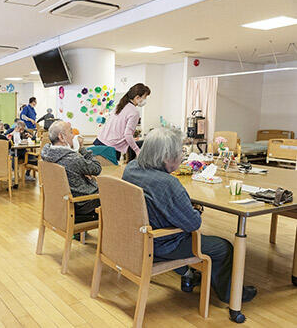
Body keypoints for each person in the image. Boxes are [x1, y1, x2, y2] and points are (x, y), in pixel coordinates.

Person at [121, 127, 257, 304]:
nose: (182, 157)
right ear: (165, 157)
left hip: (136, 236)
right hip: (161, 243)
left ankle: (189, 275)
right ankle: (230, 295)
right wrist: (196, 210)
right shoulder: (168, 183)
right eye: (180, 153)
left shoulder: (131, 168)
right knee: (223, 248)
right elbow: (193, 224)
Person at [41, 120, 101, 216]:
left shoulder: (46, 153)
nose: (73, 136)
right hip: (82, 204)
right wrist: (81, 148)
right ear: (61, 137)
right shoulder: (73, 159)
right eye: (71, 132)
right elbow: (97, 168)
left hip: (61, 204)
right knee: (116, 194)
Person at [94, 83, 150, 162]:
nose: (145, 100)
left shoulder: (120, 105)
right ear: (137, 97)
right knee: (109, 173)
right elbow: (127, 134)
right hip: (110, 148)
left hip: (99, 142)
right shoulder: (134, 112)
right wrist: (137, 150)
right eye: (145, 97)